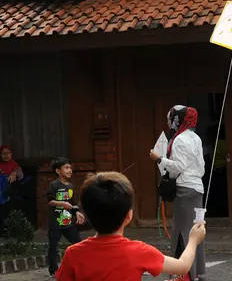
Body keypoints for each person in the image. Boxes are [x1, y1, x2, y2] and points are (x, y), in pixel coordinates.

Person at [55, 172, 206, 281]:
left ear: (86, 215)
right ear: (129, 215)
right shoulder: (138, 251)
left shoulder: (73, 254)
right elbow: (182, 266)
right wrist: (193, 240)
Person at [150, 105, 206, 281]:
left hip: (185, 190)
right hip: (196, 188)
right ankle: (196, 272)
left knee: (182, 232)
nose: (168, 122)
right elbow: (201, 167)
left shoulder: (180, 139)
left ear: (177, 120)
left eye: (170, 118)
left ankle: (183, 274)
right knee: (196, 231)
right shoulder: (195, 138)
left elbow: (179, 166)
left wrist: (159, 159)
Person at [47, 157, 85, 277]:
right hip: (56, 223)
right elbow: (50, 201)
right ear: (58, 171)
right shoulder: (54, 185)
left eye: (70, 168)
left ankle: (80, 267)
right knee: (53, 246)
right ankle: (54, 270)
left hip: (69, 222)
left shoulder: (71, 186)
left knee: (79, 244)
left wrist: (77, 212)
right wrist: (61, 204)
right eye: (66, 168)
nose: (69, 170)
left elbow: (73, 204)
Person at [0, 145, 24, 235]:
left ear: (11, 154)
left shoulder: (15, 166)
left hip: (10, 194)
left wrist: (14, 173)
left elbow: (20, 175)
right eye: (3, 153)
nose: (6, 155)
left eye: (8, 153)